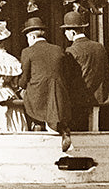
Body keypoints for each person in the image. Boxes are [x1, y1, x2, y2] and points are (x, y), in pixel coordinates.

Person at [19, 16, 73, 150]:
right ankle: (63, 131)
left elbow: (24, 79)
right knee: (55, 114)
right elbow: (65, 73)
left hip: (38, 95)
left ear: (31, 36)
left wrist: (20, 86)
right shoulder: (58, 49)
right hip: (58, 94)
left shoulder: (27, 52)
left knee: (34, 115)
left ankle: (38, 138)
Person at [62, 10, 109, 130]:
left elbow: (67, 80)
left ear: (72, 32)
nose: (65, 34)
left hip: (77, 103)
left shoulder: (71, 51)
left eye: (65, 31)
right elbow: (107, 75)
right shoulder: (100, 47)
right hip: (99, 101)